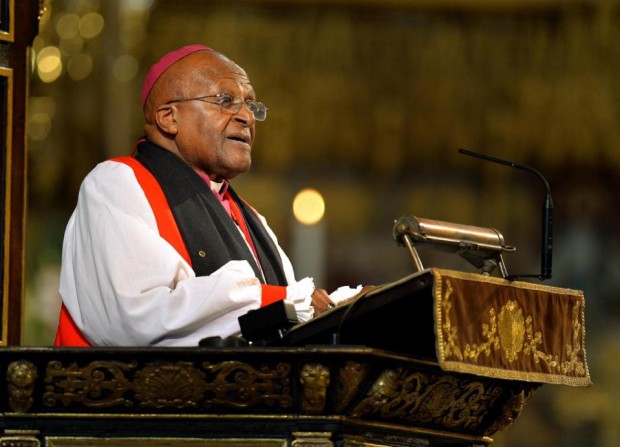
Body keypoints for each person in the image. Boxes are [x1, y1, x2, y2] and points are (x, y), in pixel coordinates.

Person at [54, 44, 346, 347]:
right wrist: (283, 299)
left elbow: (294, 312)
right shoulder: (117, 184)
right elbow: (136, 317)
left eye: (251, 104)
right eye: (226, 100)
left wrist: (348, 306)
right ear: (169, 117)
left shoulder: (249, 217)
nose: (247, 117)